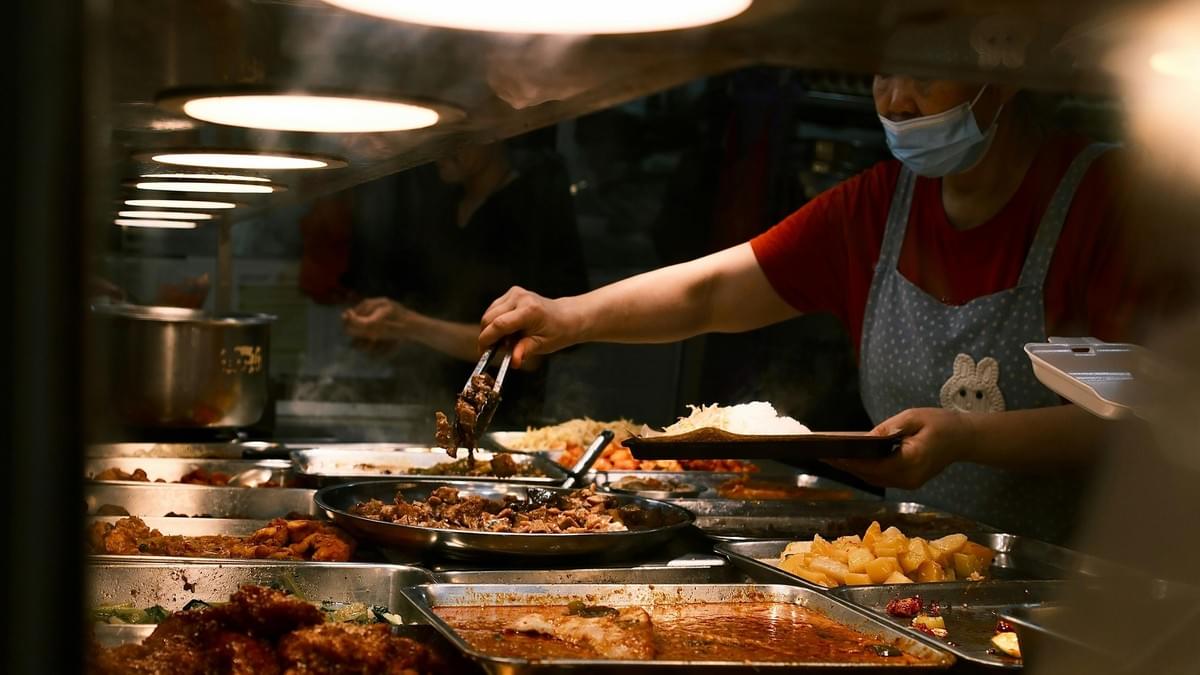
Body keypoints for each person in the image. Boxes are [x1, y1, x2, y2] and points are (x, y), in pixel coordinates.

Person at [477, 76, 1177, 543]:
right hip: (916, 573)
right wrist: (570, 316)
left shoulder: (1108, 201)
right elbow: (714, 291)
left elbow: (1147, 424)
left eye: (923, 70)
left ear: (1004, 67)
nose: (896, 98)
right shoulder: (879, 205)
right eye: (882, 71)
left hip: (1079, 586)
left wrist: (967, 435)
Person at [334, 141, 589, 424]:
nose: (439, 150)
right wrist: (385, 331)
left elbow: (528, 354)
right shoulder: (441, 209)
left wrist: (408, 324)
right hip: (426, 409)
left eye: (456, 138)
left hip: (506, 424)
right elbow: (429, 318)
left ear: (495, 133)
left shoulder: (530, 209)